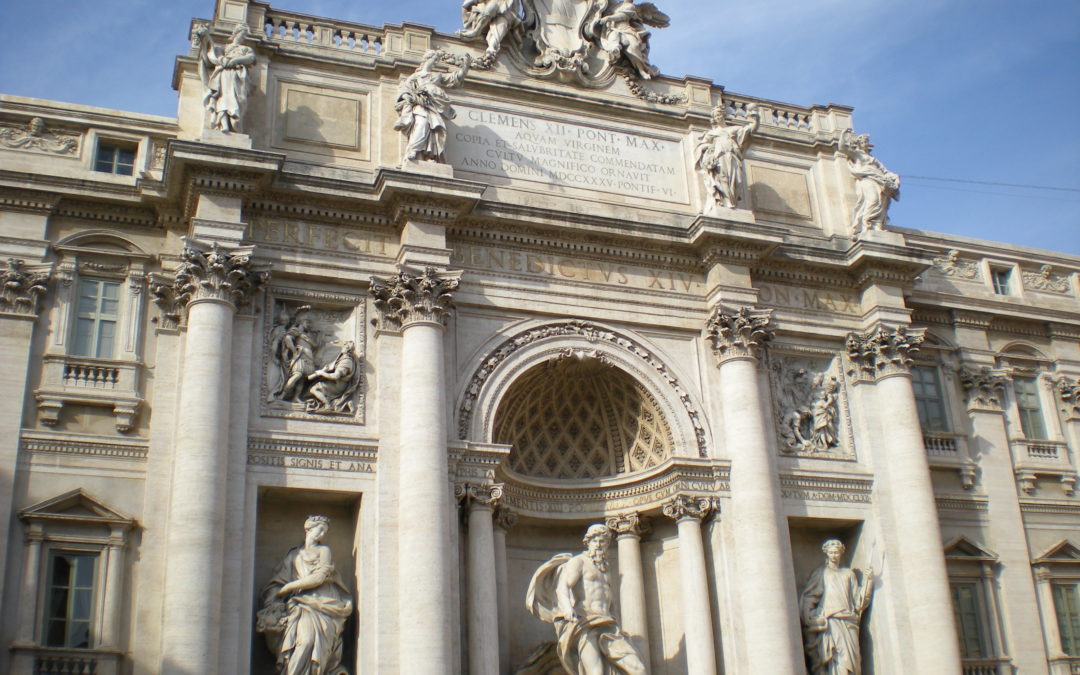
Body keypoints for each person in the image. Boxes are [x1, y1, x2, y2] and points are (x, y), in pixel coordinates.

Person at [524, 524, 647, 674]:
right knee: (596, 672)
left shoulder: (605, 569)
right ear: (588, 542)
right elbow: (562, 587)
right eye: (596, 540)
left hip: (608, 624)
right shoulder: (579, 561)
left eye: (603, 541)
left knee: (638, 669)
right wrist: (567, 608)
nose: (599, 544)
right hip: (585, 623)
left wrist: (619, 625)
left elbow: (610, 602)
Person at [256, 515, 353, 675]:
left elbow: (319, 577)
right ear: (308, 528)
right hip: (299, 606)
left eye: (325, 531)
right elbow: (277, 581)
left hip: (322, 604)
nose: (322, 534)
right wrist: (275, 595)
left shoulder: (324, 551)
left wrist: (289, 587)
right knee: (303, 642)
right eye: (320, 530)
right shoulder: (293, 555)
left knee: (312, 644)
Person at [799, 539, 873, 675]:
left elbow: (858, 602)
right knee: (836, 658)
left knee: (852, 661)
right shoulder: (821, 573)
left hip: (849, 621)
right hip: (831, 621)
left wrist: (868, 582)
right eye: (831, 552)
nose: (834, 555)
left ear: (841, 553)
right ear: (826, 553)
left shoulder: (848, 574)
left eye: (837, 552)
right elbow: (810, 596)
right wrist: (809, 615)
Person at [393, 50, 470, 162]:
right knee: (421, 124)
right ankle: (414, 150)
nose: (435, 63)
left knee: (434, 129)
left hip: (435, 105)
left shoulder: (438, 76)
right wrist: (406, 96)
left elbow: (455, 78)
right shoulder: (416, 76)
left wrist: (465, 68)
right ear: (427, 59)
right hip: (421, 104)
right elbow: (405, 87)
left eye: (437, 61)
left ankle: (430, 155)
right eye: (434, 60)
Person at [694, 104, 759, 211]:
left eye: (720, 114)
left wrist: (756, 120)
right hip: (719, 157)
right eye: (716, 115)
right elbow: (701, 147)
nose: (718, 116)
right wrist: (709, 150)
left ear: (724, 115)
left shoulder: (734, 129)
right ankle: (727, 202)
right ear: (713, 119)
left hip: (732, 156)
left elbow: (750, 130)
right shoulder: (711, 133)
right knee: (722, 178)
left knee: (735, 180)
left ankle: (732, 200)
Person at [839, 130, 900, 234]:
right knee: (873, 200)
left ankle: (876, 226)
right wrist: (843, 134)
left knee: (881, 202)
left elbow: (885, 171)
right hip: (867, 179)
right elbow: (842, 148)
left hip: (879, 179)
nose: (866, 144)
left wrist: (894, 177)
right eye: (864, 142)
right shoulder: (857, 154)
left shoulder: (873, 159)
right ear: (859, 144)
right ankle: (867, 224)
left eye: (866, 142)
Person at [199, 23, 256, 133]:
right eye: (242, 34)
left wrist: (236, 60)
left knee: (240, 99)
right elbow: (213, 54)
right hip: (224, 75)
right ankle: (224, 124)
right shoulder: (224, 48)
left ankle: (235, 123)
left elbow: (251, 58)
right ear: (236, 34)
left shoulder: (246, 49)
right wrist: (205, 37)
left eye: (245, 35)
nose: (243, 37)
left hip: (238, 76)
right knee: (223, 98)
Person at [597, 1, 668, 80]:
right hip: (612, 29)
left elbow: (623, 16)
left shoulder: (630, 6)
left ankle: (641, 70)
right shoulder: (615, 5)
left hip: (626, 29)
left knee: (633, 47)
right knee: (614, 36)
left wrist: (609, 18)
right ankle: (615, 50)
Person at [306, 341, 360, 413]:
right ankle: (342, 403)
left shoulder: (346, 362)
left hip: (338, 386)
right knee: (312, 387)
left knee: (314, 389)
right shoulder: (343, 359)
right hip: (337, 383)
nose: (342, 347)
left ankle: (328, 406)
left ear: (347, 349)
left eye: (344, 346)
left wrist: (322, 373)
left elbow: (336, 376)